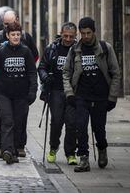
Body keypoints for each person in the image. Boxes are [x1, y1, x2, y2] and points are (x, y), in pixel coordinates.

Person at [63, 17, 121, 172]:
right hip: (81, 96)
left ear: (94, 31)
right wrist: (69, 93)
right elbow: (66, 73)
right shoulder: (75, 49)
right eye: (83, 33)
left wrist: (112, 98)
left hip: (101, 97)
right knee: (80, 127)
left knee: (99, 129)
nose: (86, 36)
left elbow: (116, 73)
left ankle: (102, 148)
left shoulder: (105, 48)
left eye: (88, 33)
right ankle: (83, 158)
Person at [0, 9, 38, 158]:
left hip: (21, 90)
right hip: (3, 90)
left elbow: (34, 64)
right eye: (6, 26)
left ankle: (18, 146)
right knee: (6, 119)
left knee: (19, 120)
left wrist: (32, 88)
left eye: (16, 32)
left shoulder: (26, 45)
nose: (14, 35)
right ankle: (5, 148)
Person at [38, 22, 78, 165]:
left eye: (71, 36)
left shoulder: (78, 49)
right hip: (55, 91)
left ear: (75, 35)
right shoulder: (52, 48)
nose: (68, 39)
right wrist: (45, 77)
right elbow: (42, 66)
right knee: (56, 122)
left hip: (73, 92)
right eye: (65, 36)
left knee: (72, 123)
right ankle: (53, 148)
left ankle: (71, 153)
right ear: (61, 33)